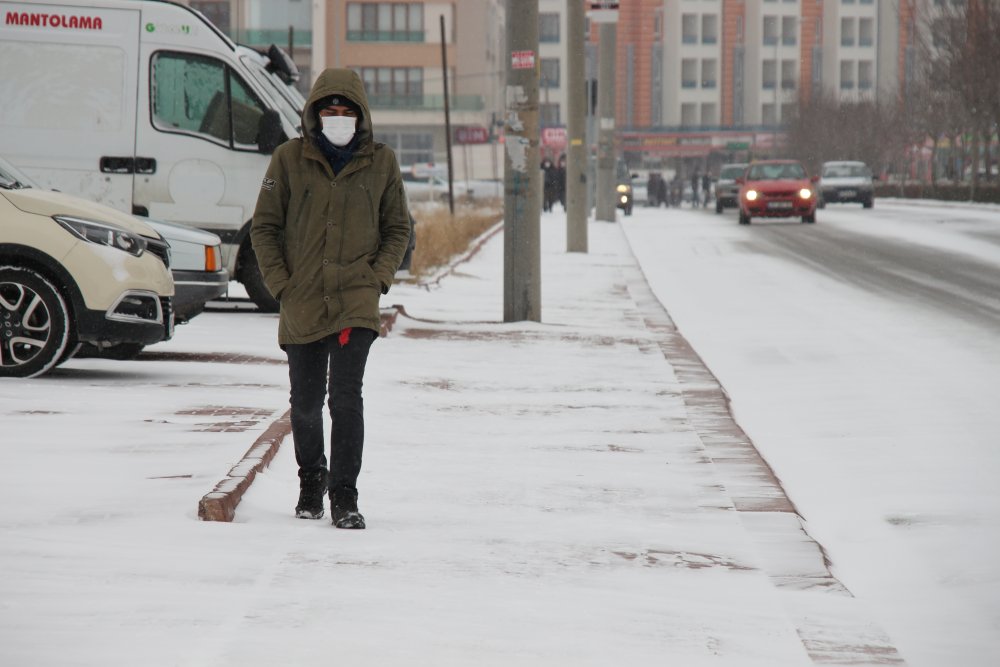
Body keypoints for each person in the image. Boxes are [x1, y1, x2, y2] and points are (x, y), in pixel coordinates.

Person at [250, 68, 411, 529]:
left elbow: (398, 227)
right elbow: (265, 227)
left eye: (346, 111)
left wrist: (376, 278)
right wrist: (281, 284)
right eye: (329, 111)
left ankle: (345, 495)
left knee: (345, 400)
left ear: (360, 116)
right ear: (314, 114)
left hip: (354, 304)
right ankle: (311, 478)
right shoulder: (286, 159)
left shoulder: (382, 162)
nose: (338, 118)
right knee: (304, 402)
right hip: (301, 300)